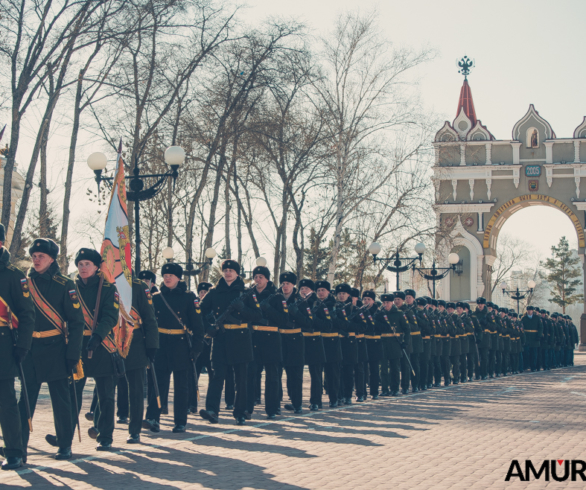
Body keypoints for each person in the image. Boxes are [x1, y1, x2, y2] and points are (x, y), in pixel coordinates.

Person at [19, 238, 84, 461]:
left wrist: (73, 354)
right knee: (25, 400)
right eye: (34, 256)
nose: (36, 260)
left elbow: (76, 323)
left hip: (56, 348)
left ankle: (64, 444)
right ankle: (18, 448)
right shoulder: (24, 282)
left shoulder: (64, 284)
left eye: (41, 257)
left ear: (52, 259)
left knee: (61, 400)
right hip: (29, 349)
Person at [144, 263, 203, 433]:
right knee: (157, 383)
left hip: (181, 344)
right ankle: (153, 418)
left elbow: (198, 326)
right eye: (165, 275)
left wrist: (196, 349)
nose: (167, 278)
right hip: (160, 344)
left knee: (181, 386)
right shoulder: (156, 298)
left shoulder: (189, 297)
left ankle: (180, 421)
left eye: (171, 275)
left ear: (179, 278)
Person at [199, 260, 256, 425]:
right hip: (221, 339)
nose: (228, 273)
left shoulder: (245, 293)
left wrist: (243, 309)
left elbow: (257, 315)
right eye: (225, 270)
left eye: (231, 270)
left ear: (237, 273)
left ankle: (240, 412)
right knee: (217, 376)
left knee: (241, 378)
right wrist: (207, 327)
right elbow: (199, 311)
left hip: (241, 339)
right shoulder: (214, 292)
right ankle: (212, 410)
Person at [0, 224, 35, 470]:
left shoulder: (14, 275)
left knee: (6, 401)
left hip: (3, 344)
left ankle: (14, 451)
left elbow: (27, 314)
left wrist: (22, 346)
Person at [121, 275, 159, 443]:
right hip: (108, 340)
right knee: (104, 388)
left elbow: (149, 319)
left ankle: (134, 430)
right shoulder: (104, 283)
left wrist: (151, 346)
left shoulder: (137, 286)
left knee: (135, 390)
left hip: (134, 342)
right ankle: (102, 429)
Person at [265, 272, 305, 414]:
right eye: (283, 283)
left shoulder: (301, 300)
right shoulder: (275, 299)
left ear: (293, 285)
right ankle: (275, 404)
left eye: (288, 283)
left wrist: (297, 314)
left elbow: (308, 323)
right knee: (275, 375)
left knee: (295, 375)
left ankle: (297, 403)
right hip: (278, 339)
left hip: (295, 340)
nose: (285, 286)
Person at [246, 265, 281, 420]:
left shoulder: (277, 296)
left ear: (267, 279)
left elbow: (283, 320)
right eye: (255, 277)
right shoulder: (248, 294)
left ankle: (272, 408)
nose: (257, 280)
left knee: (272, 377)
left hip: (271, 338)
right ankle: (247, 407)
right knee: (251, 374)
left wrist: (269, 310)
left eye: (261, 277)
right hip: (254, 338)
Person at [298, 279, 326, 411]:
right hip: (301, 340)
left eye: (306, 288)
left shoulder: (318, 303)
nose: (303, 291)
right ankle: (296, 400)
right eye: (301, 288)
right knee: (296, 373)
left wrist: (313, 319)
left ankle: (316, 400)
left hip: (314, 340)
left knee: (315, 374)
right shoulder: (298, 302)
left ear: (312, 290)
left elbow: (327, 324)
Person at [316, 281, 341, 407]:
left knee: (332, 373)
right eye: (319, 290)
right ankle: (317, 400)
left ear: (328, 291)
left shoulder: (334, 305)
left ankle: (334, 398)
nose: (320, 293)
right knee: (317, 373)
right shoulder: (313, 304)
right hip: (318, 341)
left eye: (323, 290)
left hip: (332, 341)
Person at [362, 291, 381, 400]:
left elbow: (385, 327)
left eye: (369, 299)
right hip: (363, 343)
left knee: (374, 369)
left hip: (375, 343)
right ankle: (362, 392)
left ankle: (374, 392)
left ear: (373, 301)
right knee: (363, 369)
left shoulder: (378, 313)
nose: (366, 301)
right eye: (364, 299)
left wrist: (373, 322)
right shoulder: (360, 312)